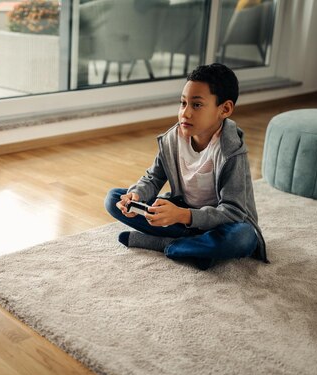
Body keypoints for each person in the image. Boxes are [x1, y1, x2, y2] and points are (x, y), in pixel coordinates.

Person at [104, 63, 268, 270]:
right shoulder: (173, 139)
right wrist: (136, 196)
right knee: (113, 198)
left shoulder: (232, 152)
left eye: (197, 105)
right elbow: (153, 179)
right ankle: (197, 248)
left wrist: (182, 215)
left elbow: (233, 213)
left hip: (221, 224)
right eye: (183, 103)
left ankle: (165, 244)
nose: (186, 113)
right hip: (183, 217)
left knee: (243, 238)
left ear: (224, 109)